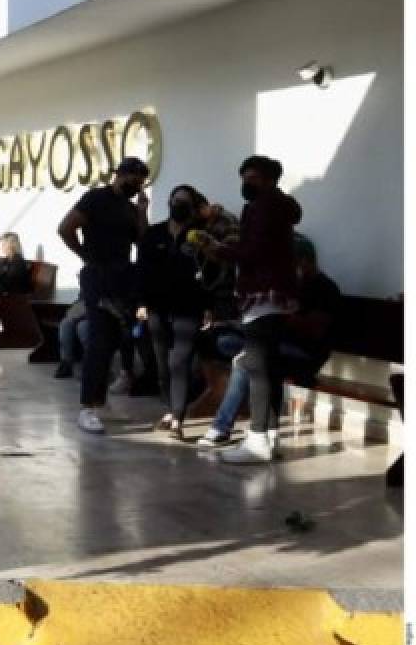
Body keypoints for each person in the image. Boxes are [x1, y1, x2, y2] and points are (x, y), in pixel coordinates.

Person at [193, 155, 302, 463]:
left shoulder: (260, 207)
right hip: (281, 295)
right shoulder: (282, 206)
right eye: (244, 177)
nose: (245, 184)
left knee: (256, 366)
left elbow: (252, 252)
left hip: (262, 294)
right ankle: (269, 433)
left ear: (269, 179)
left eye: (252, 178)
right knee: (270, 366)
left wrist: (217, 249)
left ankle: (256, 440)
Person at [199, 235, 340, 448]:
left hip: (305, 352)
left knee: (246, 361)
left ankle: (222, 428)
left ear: (304, 261)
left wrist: (280, 315)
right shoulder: (290, 285)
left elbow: (315, 331)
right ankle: (264, 427)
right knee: (223, 340)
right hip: (275, 342)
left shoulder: (325, 289)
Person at [58, 157, 150, 433]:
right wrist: (86, 255)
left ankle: (101, 402)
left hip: (123, 277)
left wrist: (143, 210)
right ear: (119, 175)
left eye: (141, 183)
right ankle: (87, 407)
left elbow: (141, 241)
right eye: (133, 181)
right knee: (98, 340)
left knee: (114, 340)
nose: (136, 186)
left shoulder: (130, 207)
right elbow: (65, 228)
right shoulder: (95, 198)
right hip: (98, 277)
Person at [135, 184, 211, 438]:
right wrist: (141, 303)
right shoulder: (155, 233)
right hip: (157, 307)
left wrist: (209, 307)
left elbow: (210, 272)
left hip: (188, 308)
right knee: (162, 364)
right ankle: (170, 409)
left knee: (180, 361)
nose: (179, 205)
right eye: (176, 200)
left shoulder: (200, 235)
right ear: (169, 202)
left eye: (185, 202)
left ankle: (178, 418)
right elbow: (142, 269)